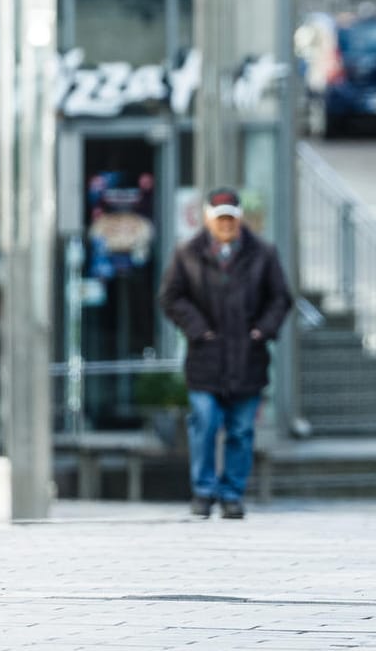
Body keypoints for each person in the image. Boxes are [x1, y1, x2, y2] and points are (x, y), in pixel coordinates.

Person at [158, 187, 292, 520]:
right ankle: (203, 491)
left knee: (241, 431)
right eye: (220, 218)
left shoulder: (263, 253)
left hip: (249, 359)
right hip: (205, 359)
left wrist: (262, 330)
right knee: (204, 423)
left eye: (231, 217)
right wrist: (198, 329)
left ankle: (232, 494)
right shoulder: (187, 254)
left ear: (240, 217)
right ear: (207, 219)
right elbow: (171, 297)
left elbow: (281, 298)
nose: (227, 223)